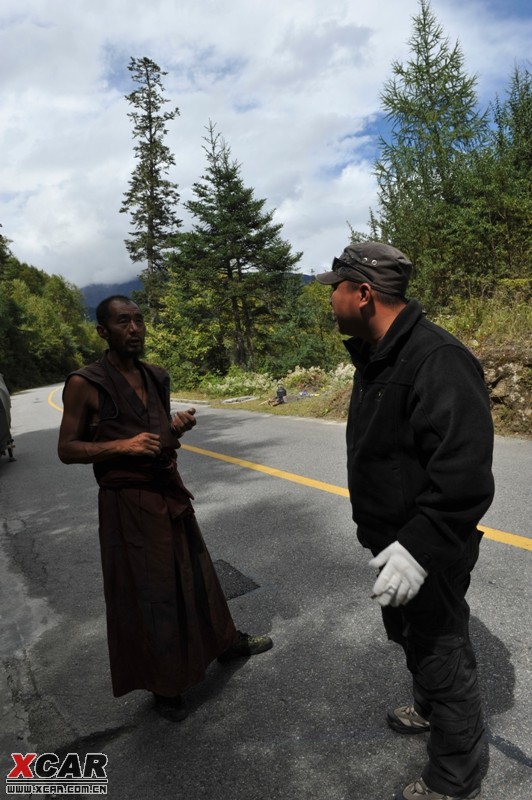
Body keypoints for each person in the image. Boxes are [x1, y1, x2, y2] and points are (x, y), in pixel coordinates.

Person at [316, 243, 494, 800]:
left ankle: (454, 777)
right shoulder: (379, 352)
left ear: (363, 294)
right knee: (413, 635)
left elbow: (464, 475)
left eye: (336, 287)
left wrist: (418, 548)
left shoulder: (436, 357)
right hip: (395, 544)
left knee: (443, 653)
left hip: (428, 547)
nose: (330, 297)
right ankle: (425, 706)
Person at [57, 295, 272, 722]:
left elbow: (159, 439)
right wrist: (123, 445)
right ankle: (165, 684)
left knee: (198, 572)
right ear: (103, 331)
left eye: (139, 320)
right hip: (127, 503)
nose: (134, 328)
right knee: (150, 591)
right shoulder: (86, 383)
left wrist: (175, 429)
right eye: (123, 322)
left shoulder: (156, 376)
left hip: (167, 491)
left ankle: (226, 643)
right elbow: (66, 449)